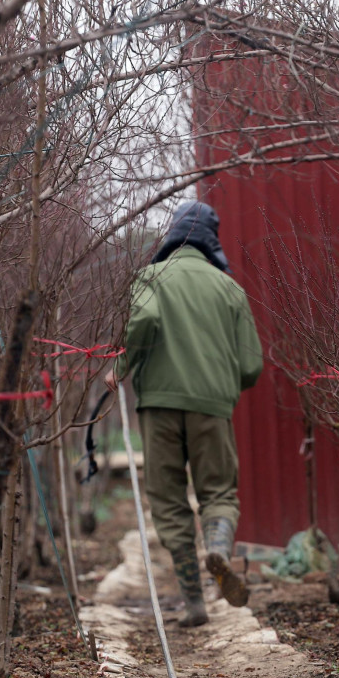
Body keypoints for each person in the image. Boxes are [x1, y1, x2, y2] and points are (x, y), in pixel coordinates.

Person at [105, 200, 263, 627]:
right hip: (211, 405)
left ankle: (193, 600)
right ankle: (216, 545)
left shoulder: (150, 278)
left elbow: (145, 321)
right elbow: (252, 365)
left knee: (169, 502)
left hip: (158, 404)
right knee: (218, 492)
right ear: (212, 239)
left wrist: (122, 366)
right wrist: (224, 389)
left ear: (172, 235)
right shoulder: (229, 288)